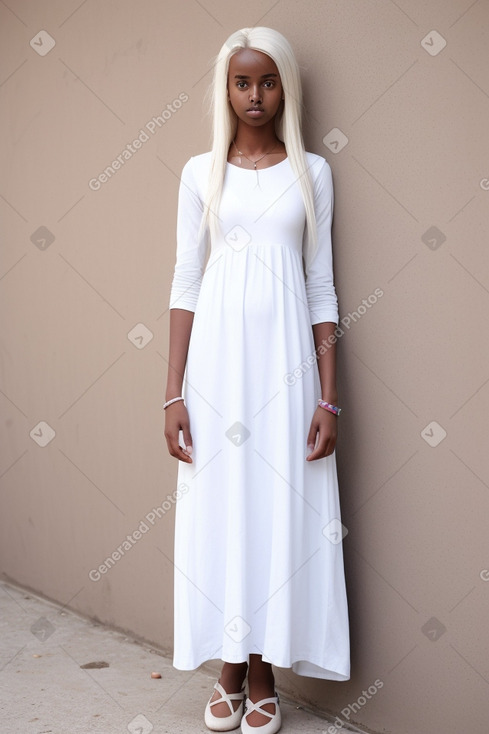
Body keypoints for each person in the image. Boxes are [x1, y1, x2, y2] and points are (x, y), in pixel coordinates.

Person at [164, 26, 350, 734]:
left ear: (285, 89)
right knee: (222, 506)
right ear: (225, 88)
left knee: (277, 510)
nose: (253, 95)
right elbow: (185, 282)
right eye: (241, 82)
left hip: (286, 375)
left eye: (266, 82)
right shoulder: (197, 171)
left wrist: (329, 396)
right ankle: (229, 666)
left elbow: (322, 288)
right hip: (215, 373)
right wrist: (173, 391)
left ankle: (263, 668)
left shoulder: (311, 172)